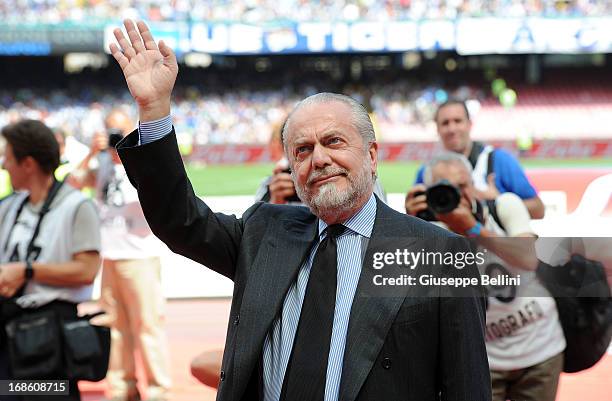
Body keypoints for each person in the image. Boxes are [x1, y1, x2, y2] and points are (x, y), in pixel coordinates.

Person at [110, 19, 491, 401]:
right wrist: (155, 108)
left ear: (372, 155)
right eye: (303, 151)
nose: (320, 159)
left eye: (334, 141)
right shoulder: (264, 231)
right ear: (291, 168)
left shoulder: (436, 253)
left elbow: (467, 385)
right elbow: (180, 219)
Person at [421, 152, 565, 401]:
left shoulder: (504, 205)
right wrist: (413, 220)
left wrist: (473, 229)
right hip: (482, 360)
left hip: (540, 348)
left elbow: (528, 259)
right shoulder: (428, 232)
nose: (457, 196)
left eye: (462, 186)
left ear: (473, 184)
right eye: (445, 189)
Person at [70, 110, 172, 401]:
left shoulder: (144, 160)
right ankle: (121, 388)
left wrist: (128, 157)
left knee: (148, 326)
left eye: (120, 130)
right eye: (110, 130)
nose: (115, 136)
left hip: (140, 256)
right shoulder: (101, 162)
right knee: (115, 327)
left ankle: (157, 391)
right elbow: (73, 183)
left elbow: (157, 199)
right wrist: (92, 153)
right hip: (110, 256)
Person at [0, 119, 102, 401]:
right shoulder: (9, 207)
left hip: (49, 339)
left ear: (28, 163)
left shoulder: (78, 206)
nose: (4, 165)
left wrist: (27, 271)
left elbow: (87, 270)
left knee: (50, 396)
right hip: (9, 333)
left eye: (7, 158)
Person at [407, 99, 545, 219]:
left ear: (469, 124)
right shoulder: (426, 170)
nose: (452, 128)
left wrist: (498, 203)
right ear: (437, 129)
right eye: (445, 123)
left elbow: (538, 209)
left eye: (458, 121)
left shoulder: (499, 161)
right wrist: (410, 214)